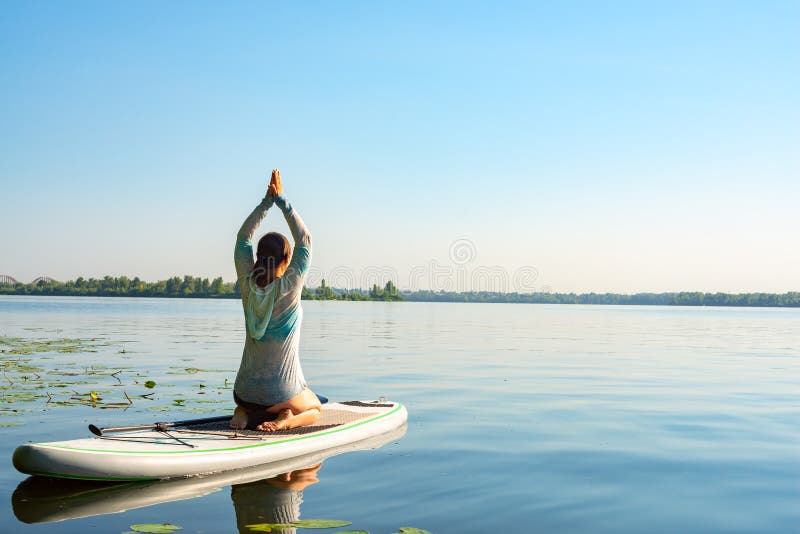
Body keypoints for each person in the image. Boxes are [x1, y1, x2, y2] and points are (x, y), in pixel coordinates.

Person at [230, 169, 321, 431]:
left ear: (258, 256)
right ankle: (288, 419)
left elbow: (242, 238)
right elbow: (305, 240)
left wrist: (266, 203)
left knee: (253, 404)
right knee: (315, 407)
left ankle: (243, 414)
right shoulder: (289, 287)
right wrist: (282, 200)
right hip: (282, 393)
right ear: (286, 261)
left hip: (244, 392)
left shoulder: (247, 284)